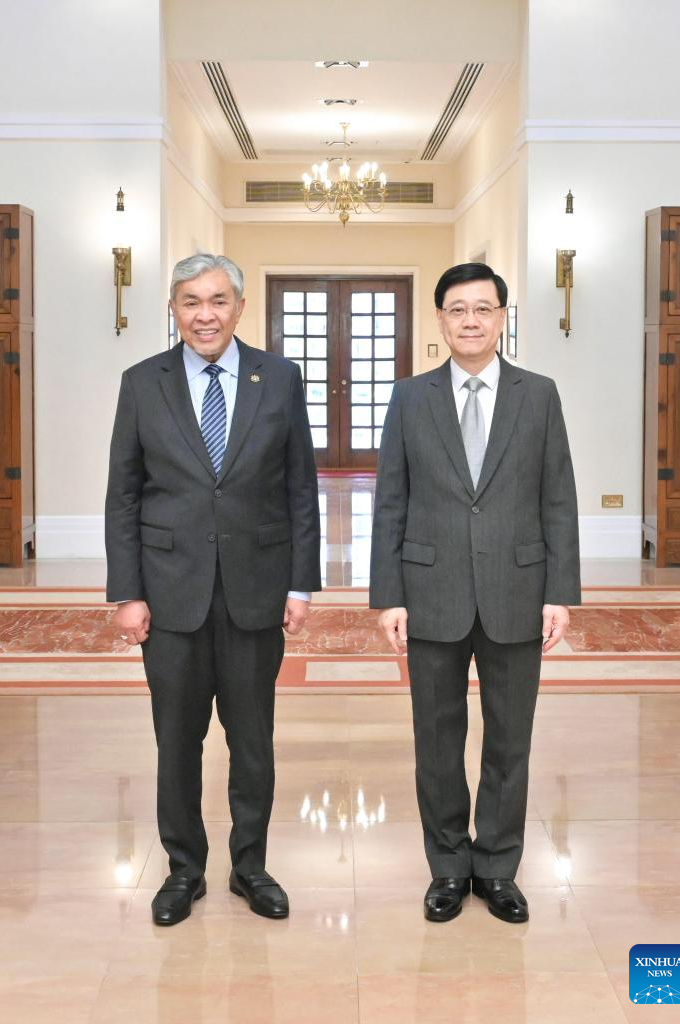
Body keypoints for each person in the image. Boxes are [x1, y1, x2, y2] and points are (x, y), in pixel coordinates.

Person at [105, 253, 320, 925]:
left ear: (240, 307)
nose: (205, 315)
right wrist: (127, 592)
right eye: (191, 301)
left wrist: (301, 584)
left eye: (218, 300)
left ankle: (250, 866)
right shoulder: (143, 382)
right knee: (177, 741)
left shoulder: (279, 377)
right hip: (170, 593)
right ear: (173, 308)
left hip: (257, 587)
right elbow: (124, 495)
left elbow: (300, 487)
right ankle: (183, 869)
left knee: (253, 740)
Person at [369, 262, 580, 924]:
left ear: (501, 318)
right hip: (430, 590)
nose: (470, 320)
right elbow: (391, 498)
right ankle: (448, 867)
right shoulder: (410, 397)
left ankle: (497, 868)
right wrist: (389, 596)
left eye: (483, 309)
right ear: (440, 320)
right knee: (436, 740)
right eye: (457, 309)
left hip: (517, 589)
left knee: (510, 740)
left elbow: (558, 496)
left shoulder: (538, 395)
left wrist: (559, 592)